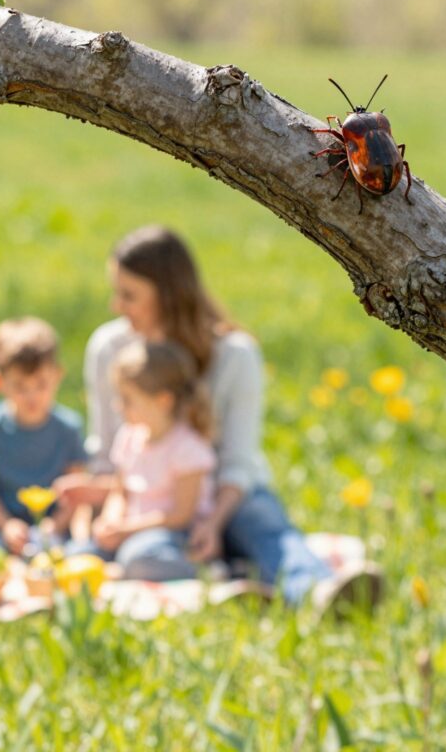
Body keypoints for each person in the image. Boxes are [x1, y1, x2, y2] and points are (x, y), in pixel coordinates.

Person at [60, 225, 380, 609]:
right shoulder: (109, 348)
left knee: (263, 527)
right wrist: (96, 504)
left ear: (168, 296)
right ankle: (230, 575)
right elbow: (110, 455)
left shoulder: (234, 355)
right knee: (108, 551)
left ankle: (320, 593)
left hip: (224, 498)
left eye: (129, 295)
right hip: (150, 507)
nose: (117, 306)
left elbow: (237, 464)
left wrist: (211, 523)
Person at [79, 340, 217, 581]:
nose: (118, 406)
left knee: (138, 558)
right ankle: (121, 571)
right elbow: (120, 492)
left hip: (171, 535)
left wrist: (127, 530)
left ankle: (210, 572)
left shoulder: (187, 449)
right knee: (80, 554)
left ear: (163, 400)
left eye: (127, 399)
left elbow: (181, 515)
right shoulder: (129, 436)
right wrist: (110, 520)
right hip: (128, 530)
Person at [0, 317, 89, 555]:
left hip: (53, 526)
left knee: (72, 554)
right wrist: (6, 525)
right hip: (1, 524)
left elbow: (76, 492)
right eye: (20, 386)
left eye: (41, 384)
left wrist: (54, 526)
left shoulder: (68, 428)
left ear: (57, 375)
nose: (32, 396)